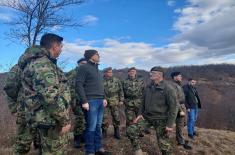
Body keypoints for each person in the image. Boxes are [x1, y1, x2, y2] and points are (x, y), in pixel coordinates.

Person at [16, 33, 71, 154]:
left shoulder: (39, 62)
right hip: (49, 120)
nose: (61, 49)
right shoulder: (43, 65)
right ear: (54, 46)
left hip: (42, 118)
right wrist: (64, 121)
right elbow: (50, 97)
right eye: (60, 46)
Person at [127, 66, 178, 155]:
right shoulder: (149, 86)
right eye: (150, 72)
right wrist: (140, 114)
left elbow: (174, 107)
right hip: (147, 118)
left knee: (163, 145)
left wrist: (170, 124)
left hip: (161, 119)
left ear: (160, 75)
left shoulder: (168, 89)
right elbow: (143, 101)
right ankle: (138, 152)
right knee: (131, 130)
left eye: (153, 73)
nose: (150, 74)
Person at [76, 49, 111, 155]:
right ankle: (90, 150)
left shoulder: (99, 71)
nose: (99, 55)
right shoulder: (83, 67)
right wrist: (84, 101)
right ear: (91, 56)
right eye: (96, 54)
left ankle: (98, 148)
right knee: (91, 126)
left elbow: (101, 86)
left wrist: (104, 97)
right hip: (90, 101)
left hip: (100, 101)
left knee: (98, 125)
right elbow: (79, 84)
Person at [4, 64, 41, 154]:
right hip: (26, 110)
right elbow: (9, 89)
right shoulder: (20, 67)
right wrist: (13, 108)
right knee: (23, 140)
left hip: (43, 111)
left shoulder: (45, 64)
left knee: (41, 140)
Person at [66, 58, 87, 148]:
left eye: (85, 64)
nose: (84, 65)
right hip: (77, 101)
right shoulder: (72, 74)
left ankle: (83, 137)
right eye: (82, 63)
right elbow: (68, 88)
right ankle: (77, 139)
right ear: (78, 64)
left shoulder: (86, 74)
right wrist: (72, 100)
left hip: (86, 101)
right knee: (80, 119)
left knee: (86, 120)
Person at [170, 72, 192, 150]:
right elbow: (174, 99)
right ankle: (180, 142)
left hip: (182, 106)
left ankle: (180, 139)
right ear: (174, 77)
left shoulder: (179, 85)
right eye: (179, 76)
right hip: (177, 107)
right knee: (178, 124)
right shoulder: (173, 86)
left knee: (182, 123)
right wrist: (180, 110)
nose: (181, 77)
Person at [102, 67, 124, 139]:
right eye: (108, 72)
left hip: (114, 101)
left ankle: (116, 131)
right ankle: (104, 131)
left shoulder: (116, 80)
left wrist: (121, 100)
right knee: (104, 117)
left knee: (116, 116)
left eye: (111, 72)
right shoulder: (100, 80)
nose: (110, 73)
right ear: (105, 73)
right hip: (104, 101)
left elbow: (121, 90)